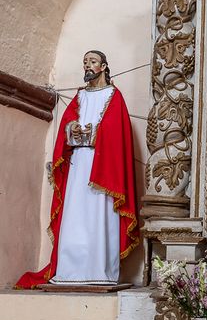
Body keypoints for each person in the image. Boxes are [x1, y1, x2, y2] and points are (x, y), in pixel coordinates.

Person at [16, 50, 139, 288]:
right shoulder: (80, 96)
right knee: (74, 214)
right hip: (78, 164)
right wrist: (71, 129)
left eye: (92, 62)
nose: (87, 66)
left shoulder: (114, 95)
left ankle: (99, 270)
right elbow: (67, 123)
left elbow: (117, 133)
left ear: (103, 66)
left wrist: (96, 134)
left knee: (99, 214)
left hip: (103, 167)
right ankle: (69, 270)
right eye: (85, 62)